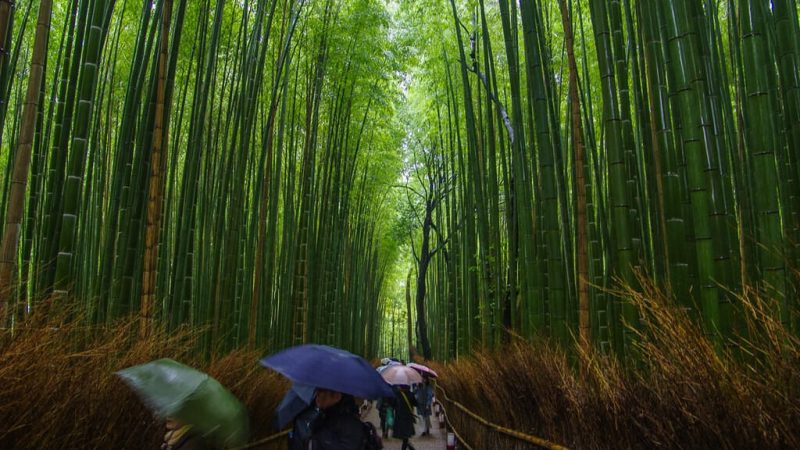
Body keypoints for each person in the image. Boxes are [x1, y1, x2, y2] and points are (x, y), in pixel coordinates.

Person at [289, 388, 366, 450]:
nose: (317, 394)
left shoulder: (348, 425)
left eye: (321, 390)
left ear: (336, 396)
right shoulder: (317, 416)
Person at [393, 385, 417, 450]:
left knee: (403, 435)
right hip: (408, 418)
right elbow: (416, 403)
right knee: (406, 435)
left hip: (399, 418)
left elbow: (393, 405)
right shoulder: (411, 394)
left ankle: (407, 446)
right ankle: (408, 446)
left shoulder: (397, 394)